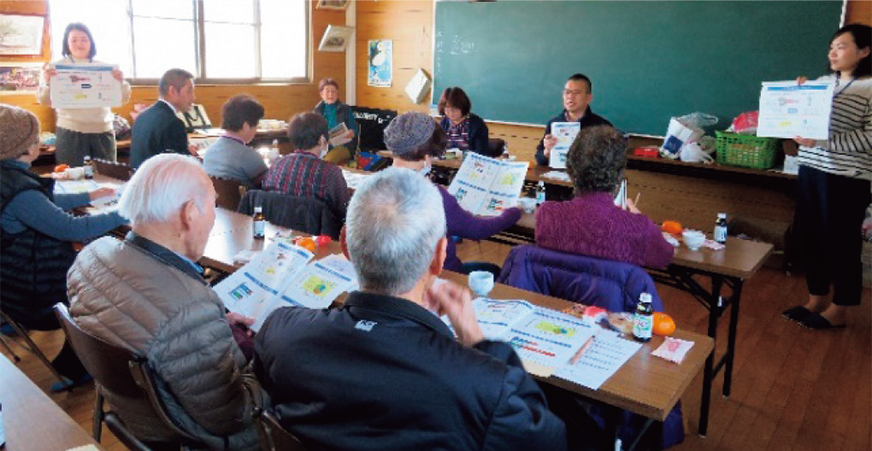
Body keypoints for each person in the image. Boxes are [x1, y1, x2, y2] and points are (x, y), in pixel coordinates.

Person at [254, 167, 568, 451]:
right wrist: (479, 342)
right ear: (440, 256)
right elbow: (548, 440)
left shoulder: (279, 332)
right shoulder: (488, 388)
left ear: (346, 245)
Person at [66, 154, 260, 450]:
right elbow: (233, 415)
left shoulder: (90, 258)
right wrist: (270, 358)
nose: (213, 217)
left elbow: (151, 323)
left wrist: (214, 324)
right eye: (213, 205)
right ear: (189, 213)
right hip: (193, 437)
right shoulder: (187, 309)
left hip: (136, 417)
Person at [0, 104, 126, 391]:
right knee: (105, 286)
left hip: (8, 286)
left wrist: (90, 195)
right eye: (35, 139)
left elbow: (39, 203)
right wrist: (126, 210)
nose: (40, 143)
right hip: (33, 297)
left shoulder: (8, 178)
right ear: (24, 147)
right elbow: (74, 228)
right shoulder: (20, 190)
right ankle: (78, 367)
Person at [782, 24, 871, 330]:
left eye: (841, 47)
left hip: (846, 177)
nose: (833, 53)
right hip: (811, 169)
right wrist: (796, 98)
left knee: (841, 243)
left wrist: (822, 141)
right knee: (810, 238)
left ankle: (840, 308)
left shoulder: (870, 88)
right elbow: (802, 124)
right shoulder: (821, 83)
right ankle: (816, 299)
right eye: (832, 47)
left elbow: (870, 136)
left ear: (865, 51)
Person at [384, 112, 522, 275]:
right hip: (438, 276)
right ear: (427, 157)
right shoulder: (434, 196)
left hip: (392, 275)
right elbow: (478, 230)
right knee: (494, 271)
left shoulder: (373, 187)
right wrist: (514, 212)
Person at [536, 125, 673, 269]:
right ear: (618, 173)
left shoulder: (547, 214)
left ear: (571, 167)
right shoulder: (639, 227)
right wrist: (641, 222)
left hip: (559, 284)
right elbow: (664, 257)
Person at [37, 22, 131, 166]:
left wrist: (120, 82)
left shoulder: (105, 68)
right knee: (71, 176)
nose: (79, 44)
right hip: (70, 131)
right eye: (74, 40)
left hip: (103, 131)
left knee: (105, 176)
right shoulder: (55, 68)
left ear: (91, 42)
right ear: (67, 43)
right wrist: (48, 82)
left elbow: (123, 99)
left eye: (83, 39)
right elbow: (44, 100)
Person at [262, 112, 350, 222]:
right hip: (318, 231)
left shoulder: (276, 165)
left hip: (278, 228)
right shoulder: (330, 173)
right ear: (322, 139)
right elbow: (344, 212)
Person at [535, 73, 612, 167]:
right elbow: (539, 160)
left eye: (576, 92)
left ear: (588, 98)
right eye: (567, 92)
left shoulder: (602, 126)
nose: (570, 96)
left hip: (587, 175)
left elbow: (611, 162)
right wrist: (547, 151)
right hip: (556, 175)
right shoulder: (554, 123)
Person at [130, 68, 196, 169]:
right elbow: (180, 168)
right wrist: (189, 155)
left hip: (140, 176)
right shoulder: (173, 123)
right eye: (189, 91)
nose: (193, 98)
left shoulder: (142, 116)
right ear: (172, 91)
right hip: (160, 178)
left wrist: (185, 150)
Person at [203, 94, 268, 188]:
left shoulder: (209, 151)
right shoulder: (249, 155)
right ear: (245, 127)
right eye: (256, 125)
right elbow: (269, 184)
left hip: (213, 197)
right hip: (243, 198)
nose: (256, 130)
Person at [313, 78, 358, 165]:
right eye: (327, 91)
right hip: (322, 146)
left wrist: (352, 132)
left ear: (337, 93)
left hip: (342, 146)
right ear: (321, 94)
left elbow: (354, 129)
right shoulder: (317, 110)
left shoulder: (345, 109)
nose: (331, 94)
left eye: (333, 91)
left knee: (325, 163)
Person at [438, 87, 490, 155]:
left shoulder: (477, 125)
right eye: (447, 108)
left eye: (454, 108)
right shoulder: (444, 123)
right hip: (447, 160)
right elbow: (438, 147)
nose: (451, 112)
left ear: (463, 106)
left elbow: (480, 153)